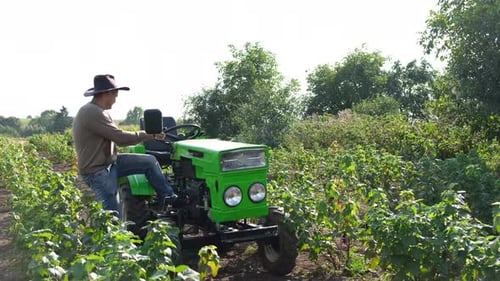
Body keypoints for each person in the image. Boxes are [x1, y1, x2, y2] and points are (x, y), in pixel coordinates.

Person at [73, 74, 177, 217]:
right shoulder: (91, 112)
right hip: (98, 171)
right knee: (113, 217)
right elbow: (120, 138)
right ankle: (110, 238)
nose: (116, 99)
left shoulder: (100, 111)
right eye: (115, 95)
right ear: (107, 94)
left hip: (110, 163)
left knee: (149, 161)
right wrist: (149, 135)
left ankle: (169, 197)